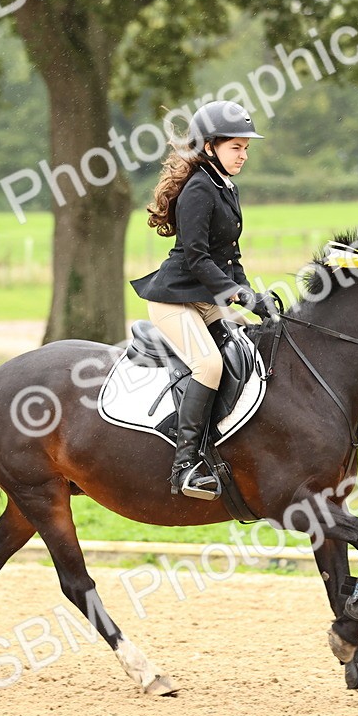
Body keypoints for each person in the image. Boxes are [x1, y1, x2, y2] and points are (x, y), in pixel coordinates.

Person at [131, 100, 278, 499]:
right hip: (175, 300)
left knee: (250, 345)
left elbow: (231, 257)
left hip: (203, 297)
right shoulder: (199, 188)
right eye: (236, 147)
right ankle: (185, 466)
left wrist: (253, 298)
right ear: (210, 146)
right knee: (209, 364)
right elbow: (196, 258)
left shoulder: (225, 187)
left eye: (246, 148)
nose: (243, 155)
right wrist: (240, 295)